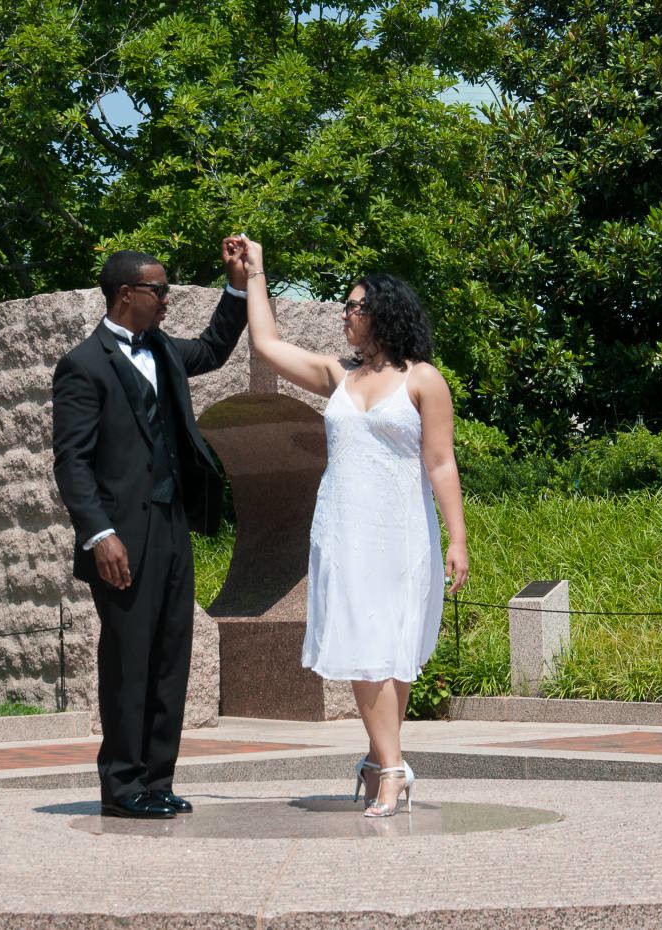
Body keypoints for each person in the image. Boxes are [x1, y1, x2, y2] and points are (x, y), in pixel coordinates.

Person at [236, 236, 469, 817]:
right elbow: (266, 344)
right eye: (344, 306)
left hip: (401, 534)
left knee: (391, 651)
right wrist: (256, 272)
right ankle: (391, 769)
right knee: (364, 646)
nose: (345, 314)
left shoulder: (423, 380)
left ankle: (378, 763)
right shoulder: (335, 375)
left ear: (384, 314)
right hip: (343, 529)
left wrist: (457, 537)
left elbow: (441, 462)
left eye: (354, 307)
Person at [52, 239, 250, 819]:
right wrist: (99, 534)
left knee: (170, 656)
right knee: (128, 660)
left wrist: (236, 286)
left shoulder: (162, 350)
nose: (167, 300)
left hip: (171, 527)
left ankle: (157, 780)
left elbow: (214, 348)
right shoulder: (82, 366)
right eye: (158, 290)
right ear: (124, 294)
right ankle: (122, 785)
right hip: (120, 539)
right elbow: (72, 461)